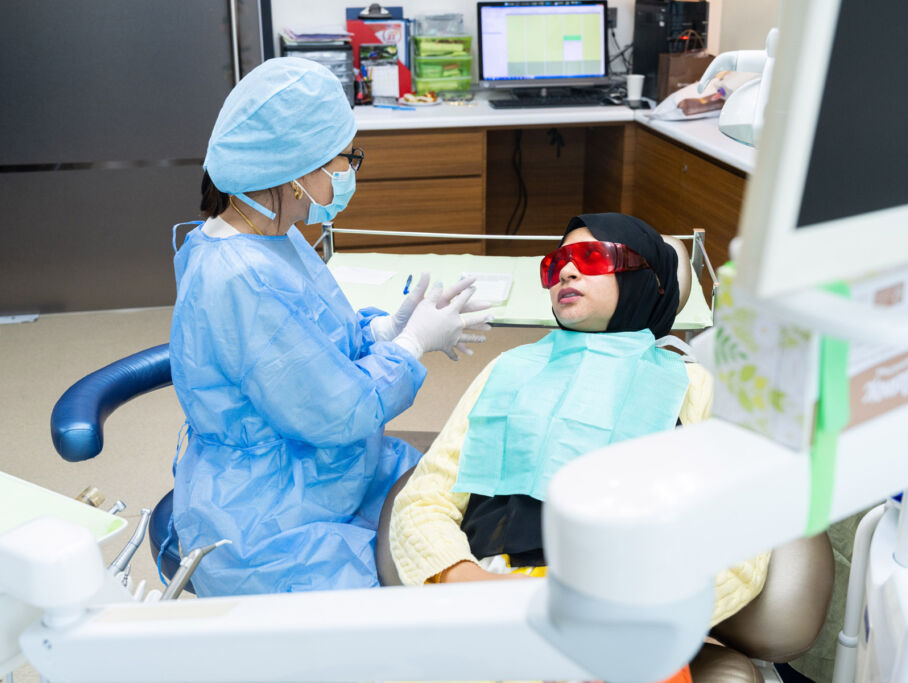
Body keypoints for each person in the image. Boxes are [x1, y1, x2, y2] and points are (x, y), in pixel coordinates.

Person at [389, 214, 769, 681]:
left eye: (591, 258)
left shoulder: (693, 386)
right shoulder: (508, 370)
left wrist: (636, 613)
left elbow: (741, 537)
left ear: (646, 278)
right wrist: (472, 585)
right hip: (493, 597)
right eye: (557, 263)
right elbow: (423, 502)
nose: (566, 272)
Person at [168, 57, 492, 596]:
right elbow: (339, 411)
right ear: (294, 173)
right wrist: (412, 348)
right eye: (343, 159)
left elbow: (312, 345)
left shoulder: (272, 232)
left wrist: (383, 331)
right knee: (418, 588)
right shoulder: (239, 276)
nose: (347, 172)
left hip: (328, 470)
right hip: (267, 520)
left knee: (456, 507)